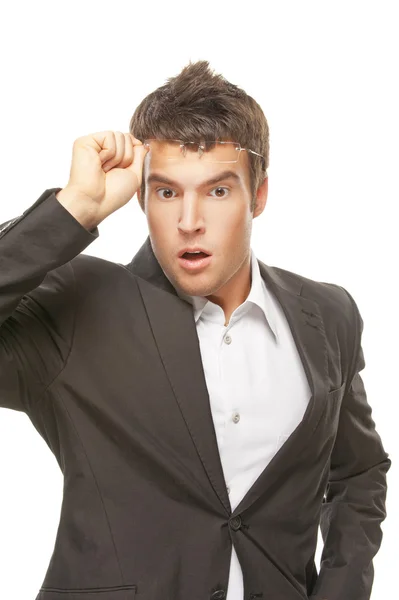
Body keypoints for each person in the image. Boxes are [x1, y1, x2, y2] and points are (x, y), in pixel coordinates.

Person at [0, 60, 391, 600]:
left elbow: (359, 473)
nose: (189, 220)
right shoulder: (78, 307)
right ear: (140, 198)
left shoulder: (328, 314)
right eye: (165, 193)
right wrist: (75, 209)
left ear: (259, 196)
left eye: (218, 192)